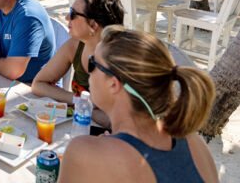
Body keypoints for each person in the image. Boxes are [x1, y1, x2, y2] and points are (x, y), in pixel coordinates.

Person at [59, 26, 217, 183]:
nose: (89, 71)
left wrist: (99, 151)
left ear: (114, 84)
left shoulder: (83, 152)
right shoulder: (194, 143)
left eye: (93, 63)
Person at [32, 0, 124, 103]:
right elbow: (38, 84)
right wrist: (79, 100)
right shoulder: (74, 47)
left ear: (93, 25)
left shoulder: (120, 62)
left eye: (73, 13)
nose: (67, 17)